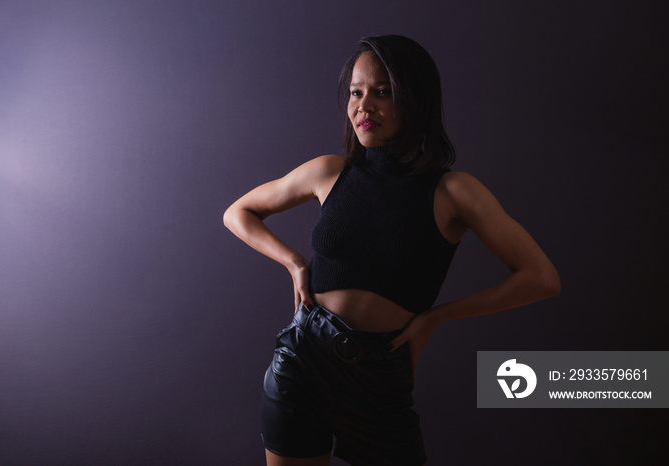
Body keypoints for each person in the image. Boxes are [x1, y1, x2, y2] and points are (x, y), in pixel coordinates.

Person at [223, 35, 560, 466]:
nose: (364, 107)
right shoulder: (329, 171)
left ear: (414, 99)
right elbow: (239, 213)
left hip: (381, 376)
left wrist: (436, 317)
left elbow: (541, 278)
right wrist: (294, 263)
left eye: (382, 92)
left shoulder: (455, 191)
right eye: (355, 92)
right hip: (303, 361)